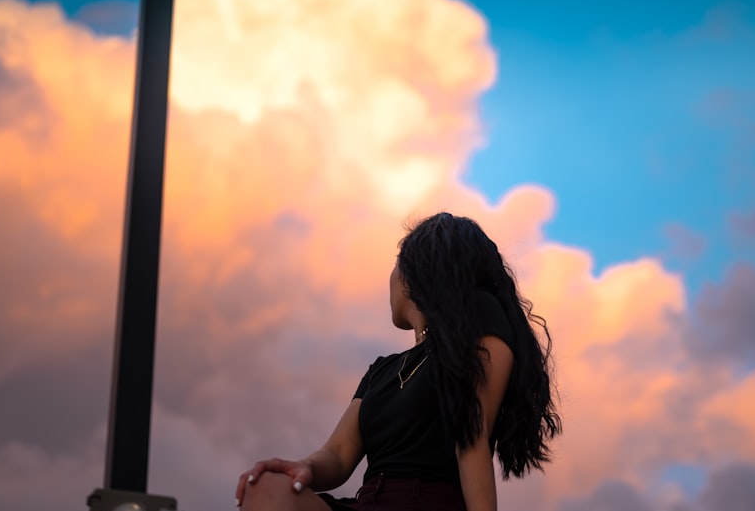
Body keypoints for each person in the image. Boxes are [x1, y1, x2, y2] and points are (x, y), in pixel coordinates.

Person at [235, 212, 561, 511]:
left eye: (397, 263)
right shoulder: (383, 370)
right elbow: (338, 455)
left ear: (417, 272)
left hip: (430, 504)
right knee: (265, 489)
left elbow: (471, 439)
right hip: (368, 502)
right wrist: (304, 466)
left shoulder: (483, 323)